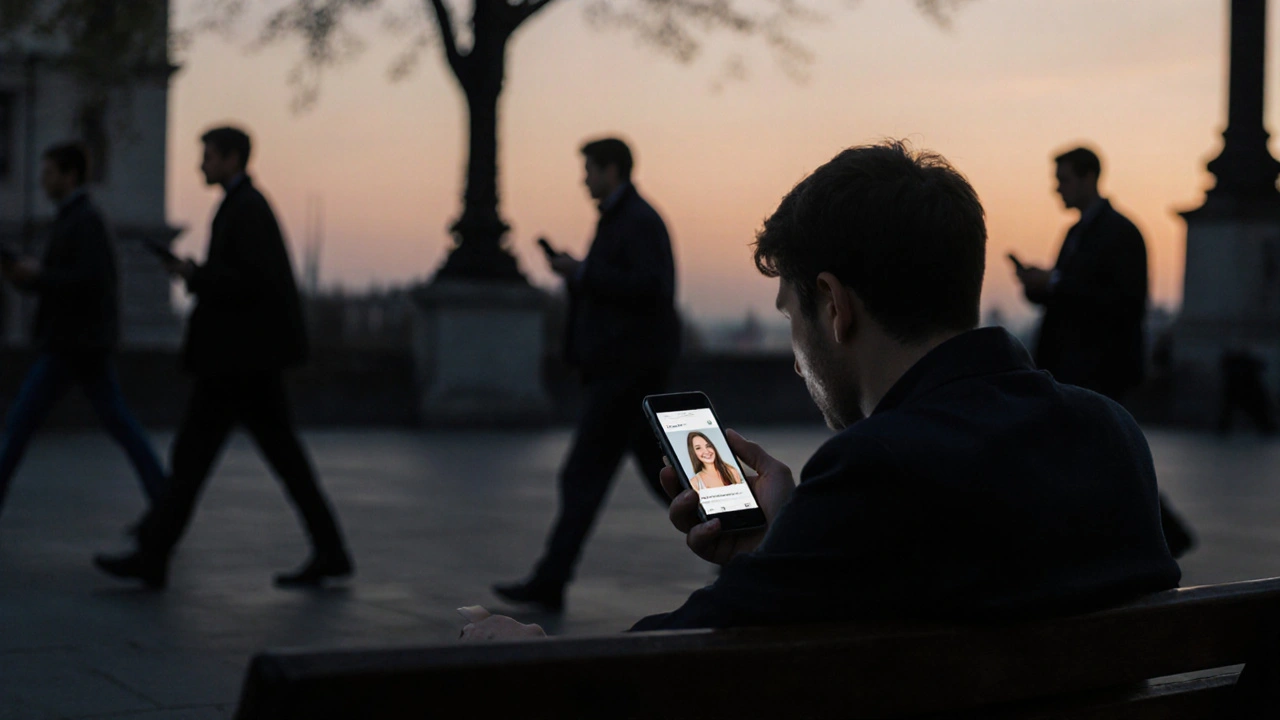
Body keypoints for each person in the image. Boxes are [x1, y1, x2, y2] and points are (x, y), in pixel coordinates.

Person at [459, 140, 1181, 640]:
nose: (796, 355)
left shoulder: (880, 468)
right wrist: (793, 536)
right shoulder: (1112, 435)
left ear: (835, 307)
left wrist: (518, 653)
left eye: (790, 313)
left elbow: (683, 658)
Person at [93, 126, 352, 589]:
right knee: (275, 459)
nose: (202, 165)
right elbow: (249, 280)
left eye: (208, 156)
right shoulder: (246, 205)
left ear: (232, 159)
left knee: (195, 458)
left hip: (236, 363)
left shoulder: (245, 208)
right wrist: (198, 274)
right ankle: (330, 549)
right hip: (247, 362)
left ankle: (153, 555)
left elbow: (245, 283)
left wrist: (196, 274)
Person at [493, 137, 680, 612]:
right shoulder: (633, 219)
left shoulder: (634, 221)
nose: (584, 179)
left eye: (590, 169)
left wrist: (580, 273)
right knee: (668, 474)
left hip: (624, 373)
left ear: (612, 170)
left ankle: (551, 579)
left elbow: (650, 289)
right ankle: (746, 541)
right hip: (631, 372)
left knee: (587, 475)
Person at [1012, 146, 1196, 558]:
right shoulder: (1083, 232)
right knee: (1100, 452)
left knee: (1100, 452)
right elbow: (1077, 296)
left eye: (1063, 179)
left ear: (1089, 177)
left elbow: (1126, 301)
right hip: (1077, 365)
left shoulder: (1120, 233)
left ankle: (1162, 529)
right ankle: (1155, 530)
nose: (1056, 188)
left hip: (1099, 366)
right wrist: (1041, 286)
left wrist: (1055, 283)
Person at [0, 142, 166, 524]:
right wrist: (28, 278)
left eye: (49, 173)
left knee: (22, 423)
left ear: (69, 175)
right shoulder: (78, 218)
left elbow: (91, 282)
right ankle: (163, 499)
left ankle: (165, 499)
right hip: (79, 343)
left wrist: (37, 275)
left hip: (73, 344)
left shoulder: (84, 220)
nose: (43, 180)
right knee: (119, 424)